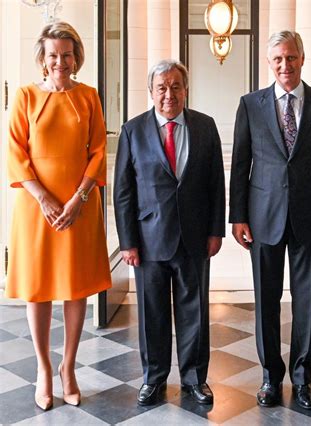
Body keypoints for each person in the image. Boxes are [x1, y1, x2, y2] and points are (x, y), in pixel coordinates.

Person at [229, 30, 311, 410]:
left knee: (306, 300)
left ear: (302, 58)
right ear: (269, 62)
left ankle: (302, 379)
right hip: (263, 217)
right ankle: (269, 377)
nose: (285, 65)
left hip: (310, 217)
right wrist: (238, 216)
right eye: (278, 58)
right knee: (266, 300)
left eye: (291, 57)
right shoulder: (250, 104)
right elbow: (241, 163)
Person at [6, 22, 112, 410]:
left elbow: (98, 151)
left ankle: (68, 367)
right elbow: (15, 152)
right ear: (43, 57)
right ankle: (44, 369)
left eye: (67, 54)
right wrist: (44, 199)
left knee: (75, 285)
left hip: (79, 207)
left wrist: (78, 199)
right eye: (53, 54)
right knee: (38, 287)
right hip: (36, 209)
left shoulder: (88, 96)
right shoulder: (25, 96)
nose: (60, 62)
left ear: (76, 57)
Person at [114, 60, 225, 407]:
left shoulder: (205, 126)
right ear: (151, 91)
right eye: (161, 87)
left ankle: (195, 379)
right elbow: (123, 191)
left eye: (176, 86)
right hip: (149, 240)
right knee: (152, 314)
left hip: (194, 237)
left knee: (195, 312)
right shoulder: (132, 131)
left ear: (185, 90)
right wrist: (127, 242)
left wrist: (215, 231)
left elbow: (216, 183)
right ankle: (154, 378)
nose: (169, 94)